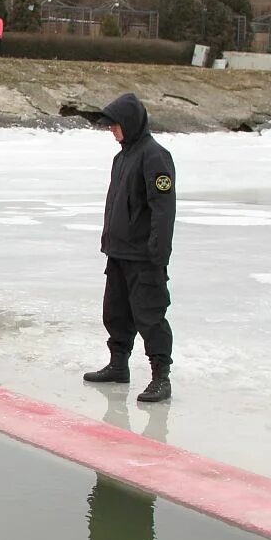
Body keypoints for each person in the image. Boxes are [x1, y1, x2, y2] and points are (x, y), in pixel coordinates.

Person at [83, 94, 176, 403]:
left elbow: (163, 210)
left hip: (144, 257)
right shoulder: (121, 158)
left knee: (150, 316)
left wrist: (158, 253)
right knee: (116, 313)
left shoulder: (155, 157)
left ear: (131, 123)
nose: (112, 131)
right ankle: (118, 365)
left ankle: (161, 377)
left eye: (115, 125)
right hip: (119, 252)